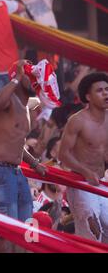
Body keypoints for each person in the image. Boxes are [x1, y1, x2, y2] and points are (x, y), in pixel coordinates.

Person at [0, 60, 47, 252]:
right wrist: (17, 77)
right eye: (31, 77)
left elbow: (17, 144)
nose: (35, 81)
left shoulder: (26, 106)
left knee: (27, 230)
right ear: (17, 76)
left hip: (15, 172)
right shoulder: (8, 100)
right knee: (6, 231)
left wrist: (35, 164)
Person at [58, 72, 108, 243]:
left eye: (107, 89)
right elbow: (63, 154)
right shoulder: (77, 120)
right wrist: (85, 172)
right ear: (88, 96)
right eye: (100, 90)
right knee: (91, 232)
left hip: (102, 181)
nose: (106, 94)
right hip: (81, 184)